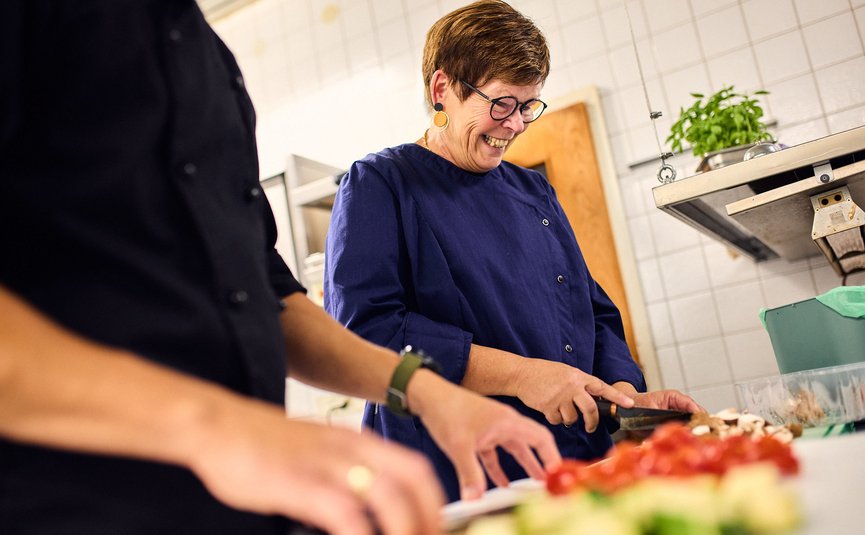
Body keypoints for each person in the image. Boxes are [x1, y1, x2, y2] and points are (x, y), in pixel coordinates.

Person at [0, 2, 562, 534]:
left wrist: (422, 390)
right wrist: (219, 428)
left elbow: (263, 289)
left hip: (237, 509)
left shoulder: (205, 56)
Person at [324, 0, 702, 503]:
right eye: (502, 103)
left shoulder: (534, 192)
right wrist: (525, 377)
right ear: (443, 90)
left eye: (528, 105)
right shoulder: (380, 183)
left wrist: (627, 400)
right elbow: (366, 333)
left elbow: (589, 310)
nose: (518, 124)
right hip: (455, 474)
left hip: (571, 461)